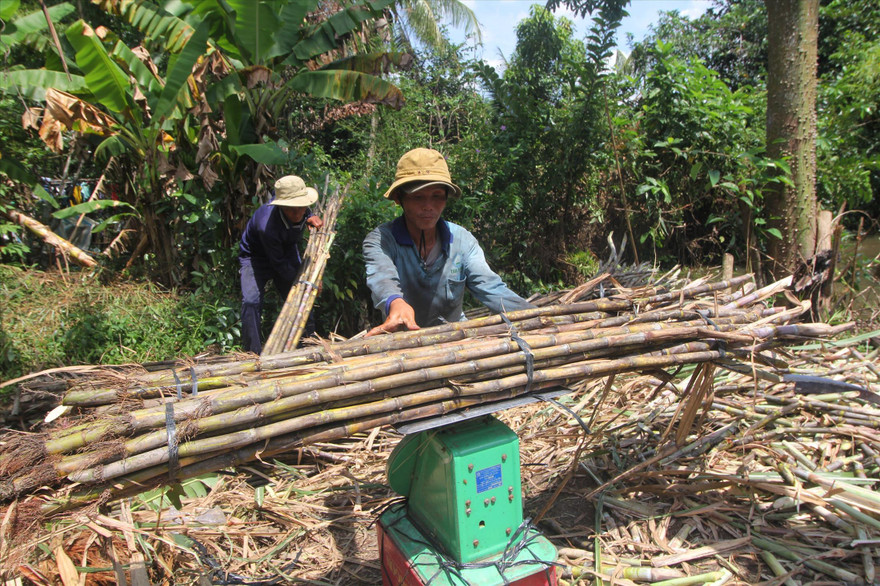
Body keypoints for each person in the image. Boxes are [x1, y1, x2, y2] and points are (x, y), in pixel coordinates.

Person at [363, 148, 532, 336]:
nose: (428, 206)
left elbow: (490, 287)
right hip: (404, 339)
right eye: (418, 197)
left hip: (454, 337)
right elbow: (382, 279)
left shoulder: (462, 241)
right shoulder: (381, 240)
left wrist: (532, 316)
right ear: (398, 198)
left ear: (446, 198)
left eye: (436, 196)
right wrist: (396, 303)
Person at [239, 175, 324, 354]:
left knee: (302, 296)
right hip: (256, 257)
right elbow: (278, 264)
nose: (298, 213)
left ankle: (308, 343)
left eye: (302, 208)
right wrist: (307, 280)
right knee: (251, 301)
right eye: (293, 210)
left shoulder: (302, 210)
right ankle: (252, 353)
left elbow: (304, 211)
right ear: (281, 206)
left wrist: (311, 215)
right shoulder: (266, 226)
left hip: (285, 250)